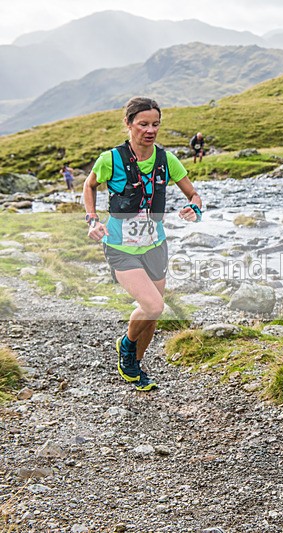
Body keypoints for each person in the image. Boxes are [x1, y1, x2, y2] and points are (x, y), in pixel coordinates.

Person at [83, 97, 203, 391]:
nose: (150, 130)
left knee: (153, 314)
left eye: (155, 124)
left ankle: (134, 365)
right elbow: (89, 186)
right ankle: (126, 346)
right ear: (128, 124)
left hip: (155, 245)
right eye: (143, 124)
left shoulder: (166, 160)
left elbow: (193, 194)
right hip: (120, 246)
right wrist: (92, 219)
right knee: (153, 304)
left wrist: (194, 209)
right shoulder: (111, 159)